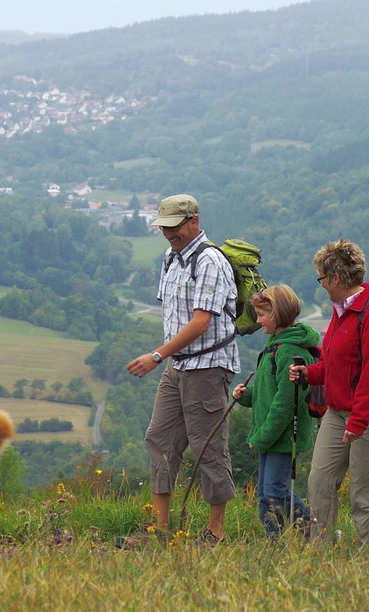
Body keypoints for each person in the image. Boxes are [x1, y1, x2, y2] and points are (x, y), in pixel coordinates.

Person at [122, 194, 239, 546]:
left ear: (193, 223)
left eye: (174, 227)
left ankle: (214, 533)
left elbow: (201, 322)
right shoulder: (171, 258)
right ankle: (159, 530)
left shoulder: (210, 262)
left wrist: (156, 356)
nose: (168, 234)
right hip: (179, 366)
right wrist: (167, 358)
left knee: (208, 448)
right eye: (164, 227)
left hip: (207, 367)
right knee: (159, 440)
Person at [288, 240, 369, 556]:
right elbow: (337, 363)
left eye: (322, 279)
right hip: (337, 413)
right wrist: (311, 374)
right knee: (320, 481)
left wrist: (360, 420)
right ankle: (319, 552)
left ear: (335, 278)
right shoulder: (343, 312)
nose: (321, 285)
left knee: (365, 491)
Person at [231, 284, 320, 538]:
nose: (258, 321)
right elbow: (265, 394)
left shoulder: (291, 351)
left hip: (282, 438)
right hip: (271, 436)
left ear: (278, 314)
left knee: (274, 492)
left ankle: (308, 533)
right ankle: (284, 540)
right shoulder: (275, 346)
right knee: (267, 493)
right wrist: (245, 397)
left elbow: (285, 403)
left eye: (262, 314)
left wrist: (261, 438)